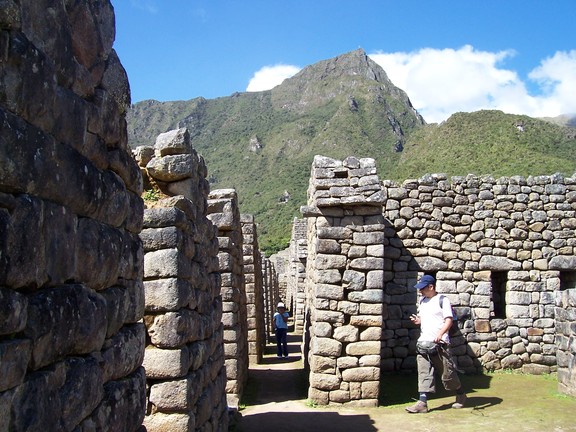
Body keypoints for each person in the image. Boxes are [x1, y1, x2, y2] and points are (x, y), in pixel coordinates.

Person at [406, 274, 467, 413]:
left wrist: (440, 334)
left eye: (423, 288)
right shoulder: (422, 301)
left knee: (448, 374)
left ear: (431, 287)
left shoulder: (442, 300)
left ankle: (460, 394)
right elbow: (425, 319)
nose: (420, 291)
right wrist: (418, 321)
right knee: (424, 372)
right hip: (423, 342)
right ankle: (422, 403)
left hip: (440, 344)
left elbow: (449, 320)